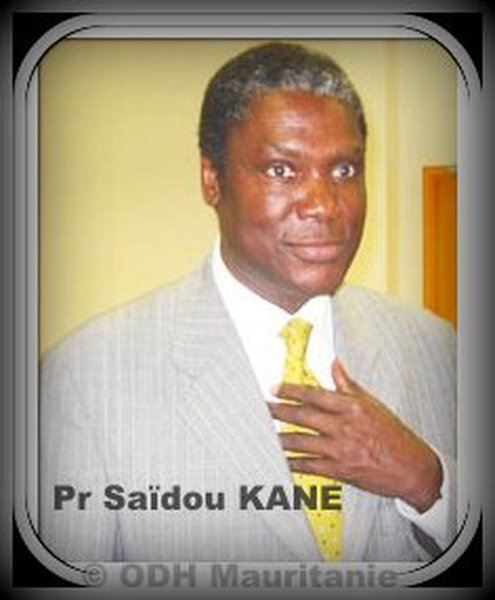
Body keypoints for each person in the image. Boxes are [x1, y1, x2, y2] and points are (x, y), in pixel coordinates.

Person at [40, 42, 456, 563]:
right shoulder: (87, 377)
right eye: (282, 170)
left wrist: (429, 483)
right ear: (212, 180)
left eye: (344, 170)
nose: (324, 205)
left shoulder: (436, 348)